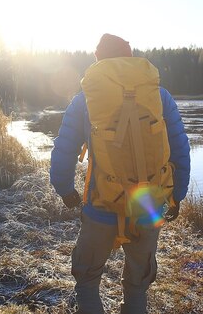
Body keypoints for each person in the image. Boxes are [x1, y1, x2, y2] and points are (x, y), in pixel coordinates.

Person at [50, 33, 191, 314]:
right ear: (130, 58)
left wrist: (65, 189)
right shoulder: (160, 96)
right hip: (148, 204)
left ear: (99, 60)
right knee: (137, 286)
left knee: (87, 280)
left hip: (101, 204)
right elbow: (180, 149)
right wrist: (177, 195)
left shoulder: (85, 100)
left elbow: (63, 150)